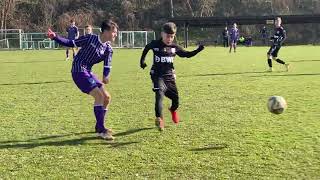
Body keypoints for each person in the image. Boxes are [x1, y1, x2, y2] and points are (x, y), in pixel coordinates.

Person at [47, 20, 118, 140]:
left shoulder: (108, 49)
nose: (115, 34)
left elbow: (107, 65)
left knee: (106, 97)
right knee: (99, 96)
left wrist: (106, 75)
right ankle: (101, 130)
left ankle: (99, 126)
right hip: (78, 70)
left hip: (88, 71)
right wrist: (55, 37)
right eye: (114, 32)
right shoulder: (90, 39)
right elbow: (71, 43)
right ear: (106, 31)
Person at [139, 22, 204, 131]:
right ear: (162, 34)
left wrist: (198, 50)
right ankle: (159, 119)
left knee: (176, 100)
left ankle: (173, 110)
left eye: (172, 36)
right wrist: (142, 61)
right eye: (167, 36)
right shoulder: (155, 44)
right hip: (157, 75)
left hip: (169, 77)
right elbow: (146, 48)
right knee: (159, 94)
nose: (169, 38)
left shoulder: (175, 47)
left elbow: (186, 55)